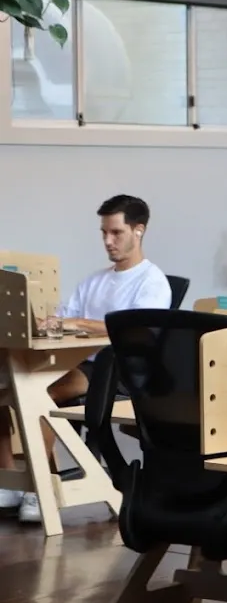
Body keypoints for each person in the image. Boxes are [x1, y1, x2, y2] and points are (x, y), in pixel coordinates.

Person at [0, 194, 172, 523]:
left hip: (121, 371)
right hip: (80, 365)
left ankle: (40, 488)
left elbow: (136, 331)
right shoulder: (95, 280)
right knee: (6, 384)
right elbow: (64, 318)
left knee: (39, 392)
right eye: (104, 233)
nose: (108, 241)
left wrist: (78, 322)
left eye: (116, 233)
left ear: (139, 230)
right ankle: (10, 480)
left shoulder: (152, 282)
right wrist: (46, 323)